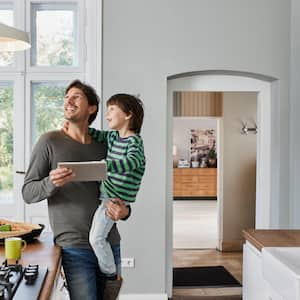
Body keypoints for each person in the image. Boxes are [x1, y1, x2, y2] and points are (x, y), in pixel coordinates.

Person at [22, 80, 130, 300]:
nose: (68, 101)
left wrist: (125, 212)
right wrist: (51, 182)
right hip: (74, 248)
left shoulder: (106, 144)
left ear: (92, 108)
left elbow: (122, 190)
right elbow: (28, 192)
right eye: (66, 97)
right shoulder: (49, 142)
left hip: (109, 242)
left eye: (76, 96)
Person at [87, 94, 145, 299]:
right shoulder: (112, 137)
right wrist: (80, 128)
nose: (107, 114)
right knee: (97, 237)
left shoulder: (135, 142)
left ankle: (110, 275)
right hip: (107, 194)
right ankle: (110, 273)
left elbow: (132, 162)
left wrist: (106, 166)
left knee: (96, 238)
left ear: (128, 115)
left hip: (114, 199)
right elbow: (96, 134)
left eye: (112, 109)